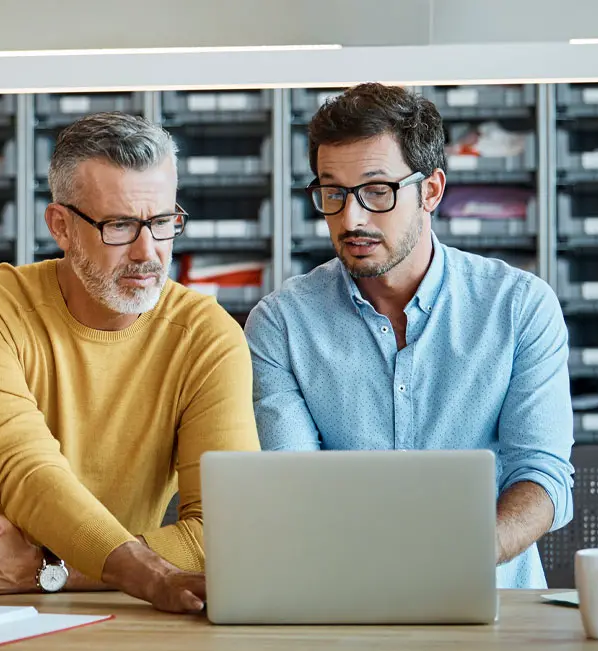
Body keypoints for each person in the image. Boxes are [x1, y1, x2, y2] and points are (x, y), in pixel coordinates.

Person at [0, 111, 260, 612]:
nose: (147, 251)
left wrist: (50, 572)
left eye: (161, 223)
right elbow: (27, 471)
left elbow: (223, 531)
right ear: (61, 226)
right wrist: (148, 574)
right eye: (119, 226)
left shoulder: (207, 334)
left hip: (114, 612)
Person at [243, 83, 574, 589]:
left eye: (377, 191)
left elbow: (543, 476)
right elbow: (294, 488)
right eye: (333, 193)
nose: (351, 218)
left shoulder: (518, 306)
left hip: (494, 602)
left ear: (431, 190)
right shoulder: (281, 324)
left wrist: (461, 556)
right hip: (342, 604)